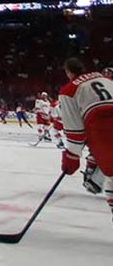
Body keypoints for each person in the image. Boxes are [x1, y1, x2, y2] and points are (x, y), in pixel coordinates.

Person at [59, 57, 113, 223]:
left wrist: (71, 158)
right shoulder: (105, 78)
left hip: (104, 130)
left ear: (68, 72)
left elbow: (75, 132)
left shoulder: (69, 90)